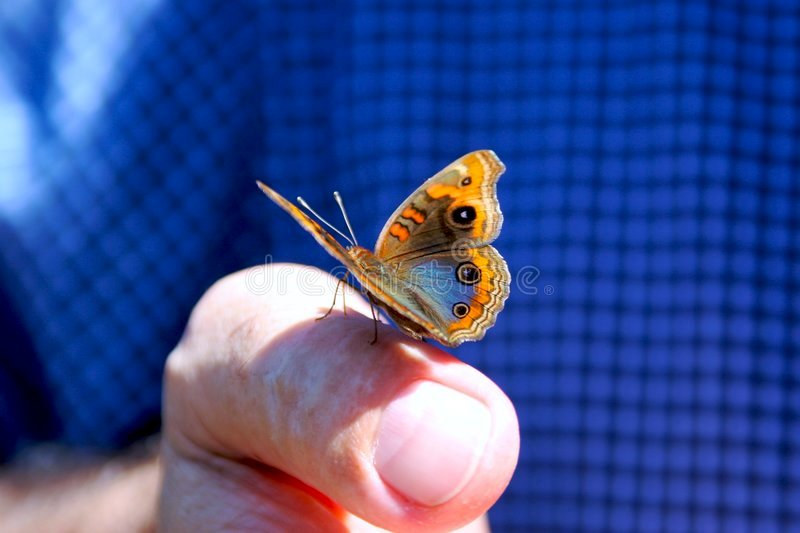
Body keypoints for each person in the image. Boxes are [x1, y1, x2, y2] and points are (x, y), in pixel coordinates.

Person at [1, 1, 798, 531]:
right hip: (418, 297)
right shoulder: (206, 28)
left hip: (420, 295)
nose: (347, 255)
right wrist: (154, 508)